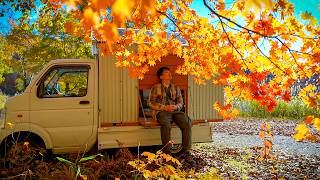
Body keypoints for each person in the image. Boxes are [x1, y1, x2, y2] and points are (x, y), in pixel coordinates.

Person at [148, 66, 192, 154]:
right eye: (167, 73)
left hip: (175, 111)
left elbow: (180, 102)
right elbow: (150, 103)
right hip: (161, 112)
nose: (170, 74)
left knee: (187, 122)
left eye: (170, 72)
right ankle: (166, 152)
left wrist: (176, 107)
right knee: (166, 124)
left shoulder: (176, 88)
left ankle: (185, 151)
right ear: (161, 77)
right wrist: (164, 107)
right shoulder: (155, 88)